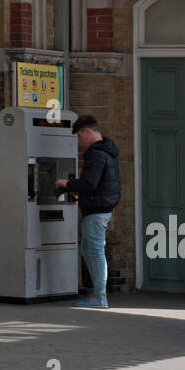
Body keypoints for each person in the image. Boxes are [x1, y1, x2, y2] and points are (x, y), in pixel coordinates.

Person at [55, 115, 120, 308]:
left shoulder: (97, 154)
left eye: (80, 136)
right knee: (88, 250)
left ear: (87, 131)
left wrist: (67, 183)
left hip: (96, 209)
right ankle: (97, 295)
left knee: (94, 251)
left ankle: (100, 297)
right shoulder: (107, 150)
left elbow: (90, 183)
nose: (80, 141)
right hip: (101, 207)